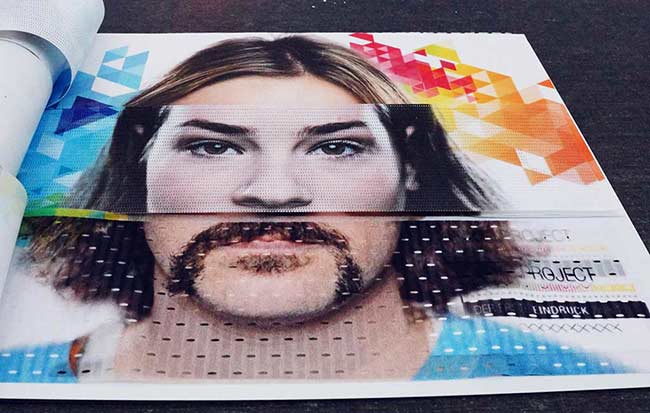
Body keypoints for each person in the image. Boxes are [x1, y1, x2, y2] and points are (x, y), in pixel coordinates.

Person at [1, 36, 625, 382]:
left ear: (410, 169)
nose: (273, 192)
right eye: (213, 146)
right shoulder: (19, 379)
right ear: (138, 169)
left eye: (336, 147)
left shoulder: (558, 378)